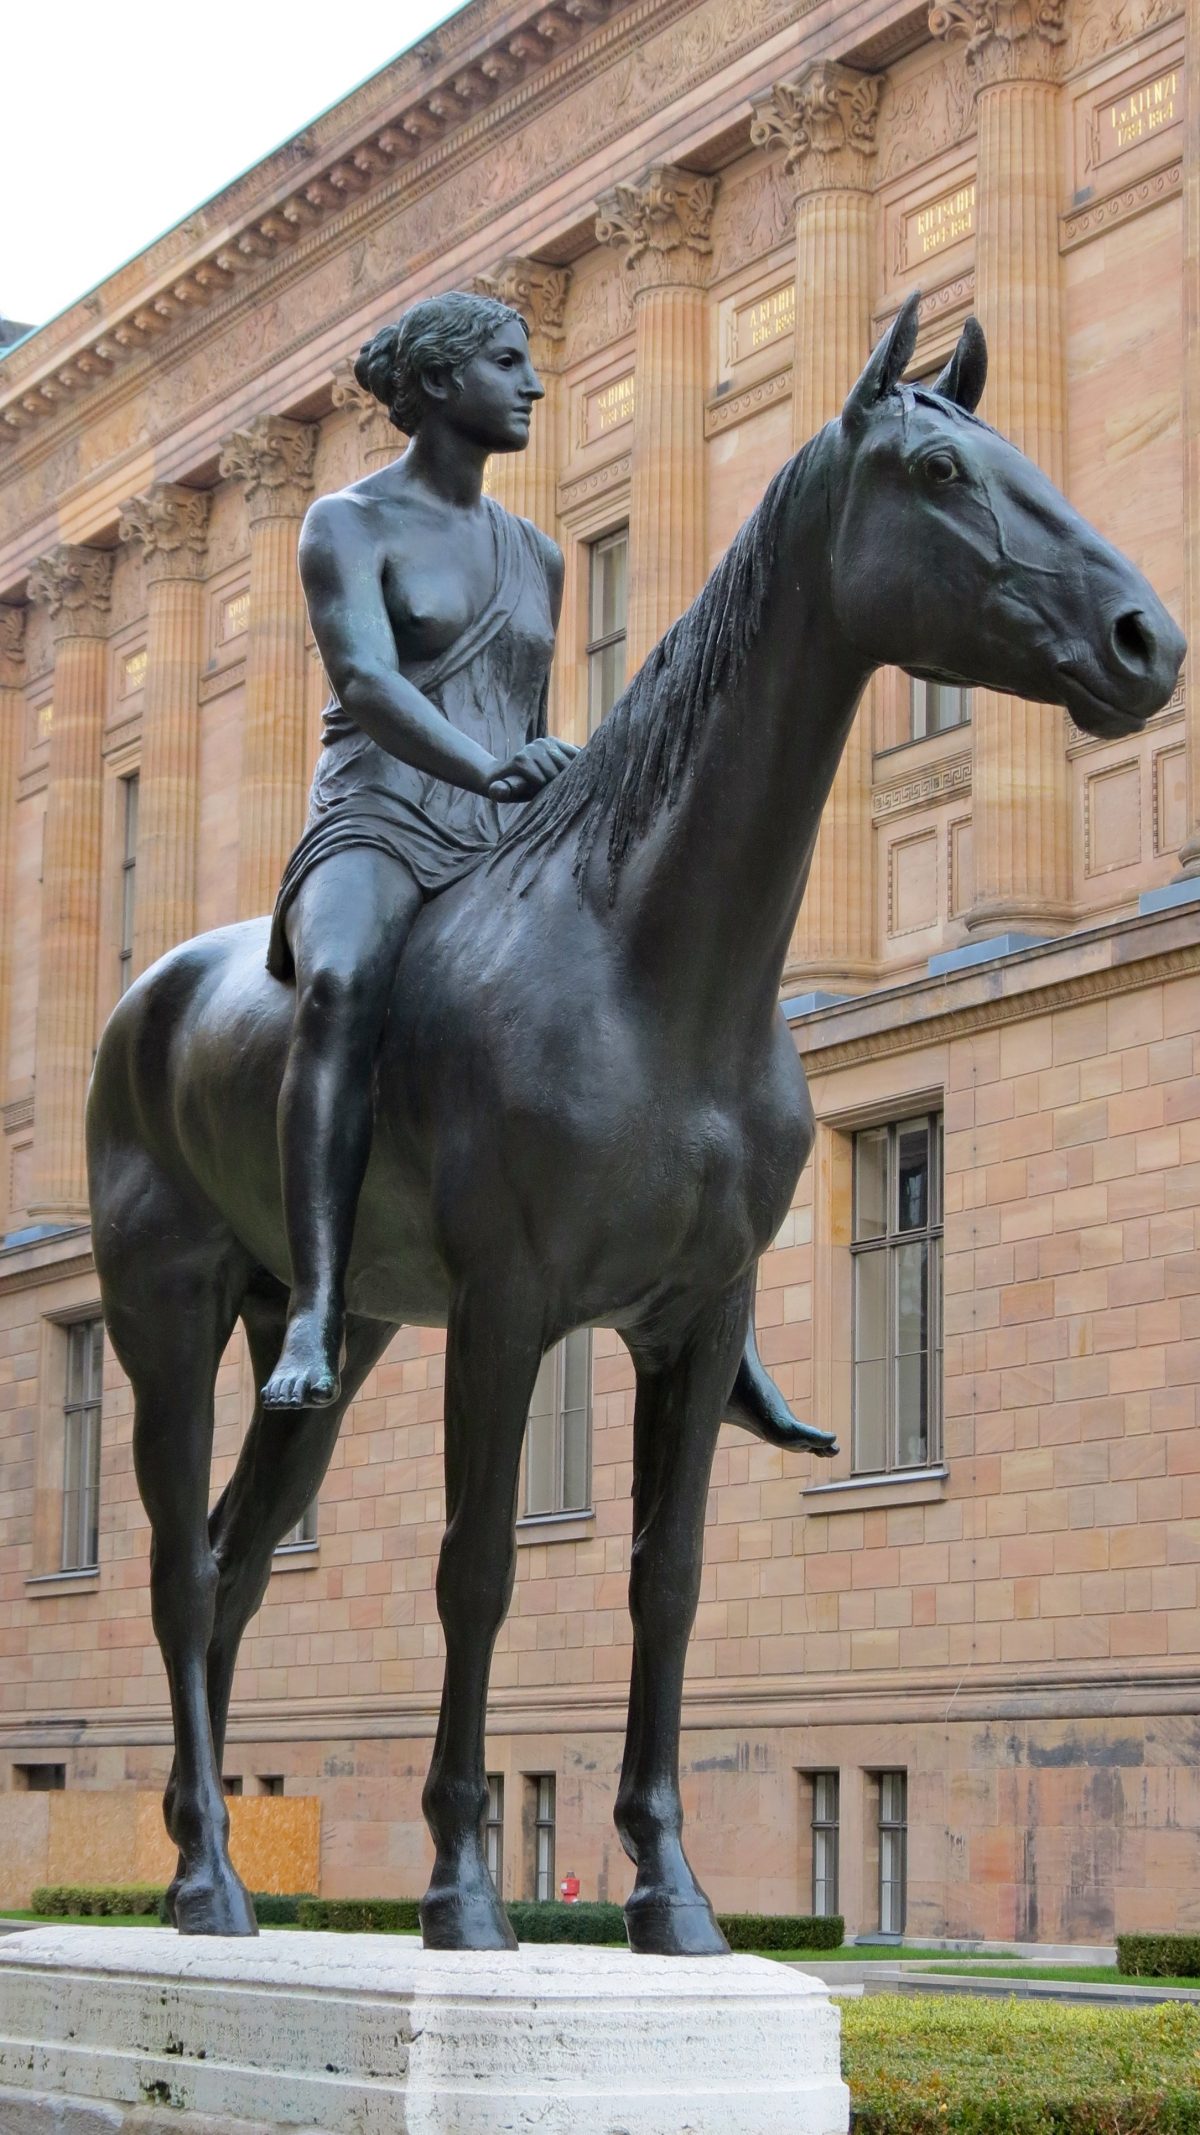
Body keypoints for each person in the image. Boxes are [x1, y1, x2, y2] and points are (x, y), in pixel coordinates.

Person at [261, 290, 576, 1410]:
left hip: (500, 837)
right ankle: (316, 1301)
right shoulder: (345, 523)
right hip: (379, 817)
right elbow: (367, 681)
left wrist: (543, 785)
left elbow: (529, 723)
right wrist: (484, 767)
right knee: (341, 986)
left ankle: (705, 1295)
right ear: (441, 384)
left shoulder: (537, 553)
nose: (532, 384)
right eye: (508, 361)